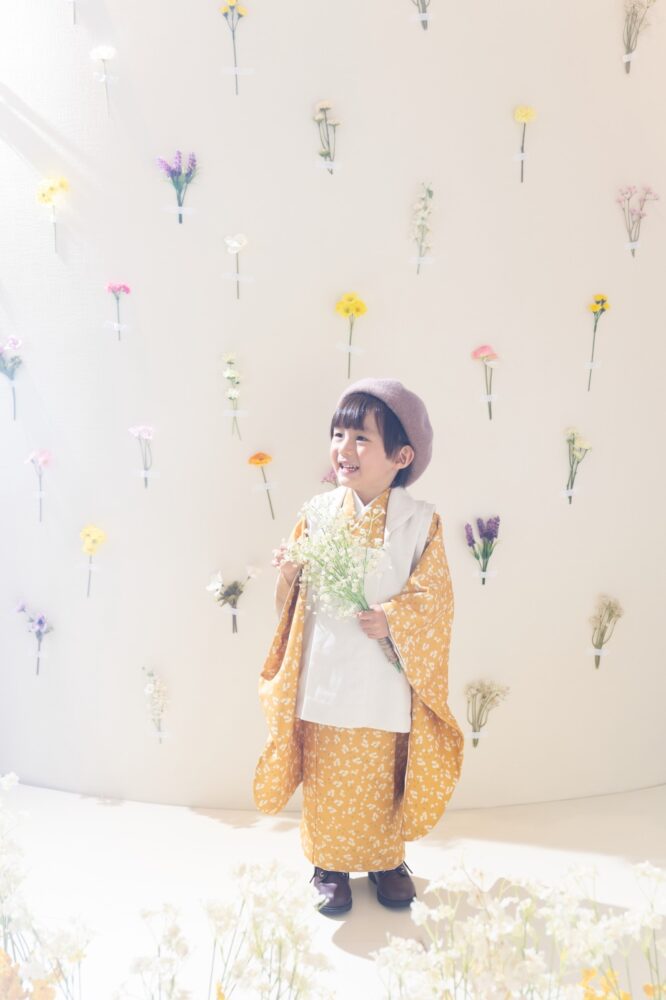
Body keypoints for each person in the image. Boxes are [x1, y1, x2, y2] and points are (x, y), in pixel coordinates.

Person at [253, 377, 464, 916]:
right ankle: (328, 866)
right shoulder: (317, 513)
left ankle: (387, 861)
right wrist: (290, 572)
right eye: (338, 435)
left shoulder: (421, 521)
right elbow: (290, 604)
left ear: (402, 456)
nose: (344, 448)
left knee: (382, 774)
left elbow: (435, 598)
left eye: (361, 438)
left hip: (386, 679)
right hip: (327, 674)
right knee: (329, 776)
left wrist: (392, 617)